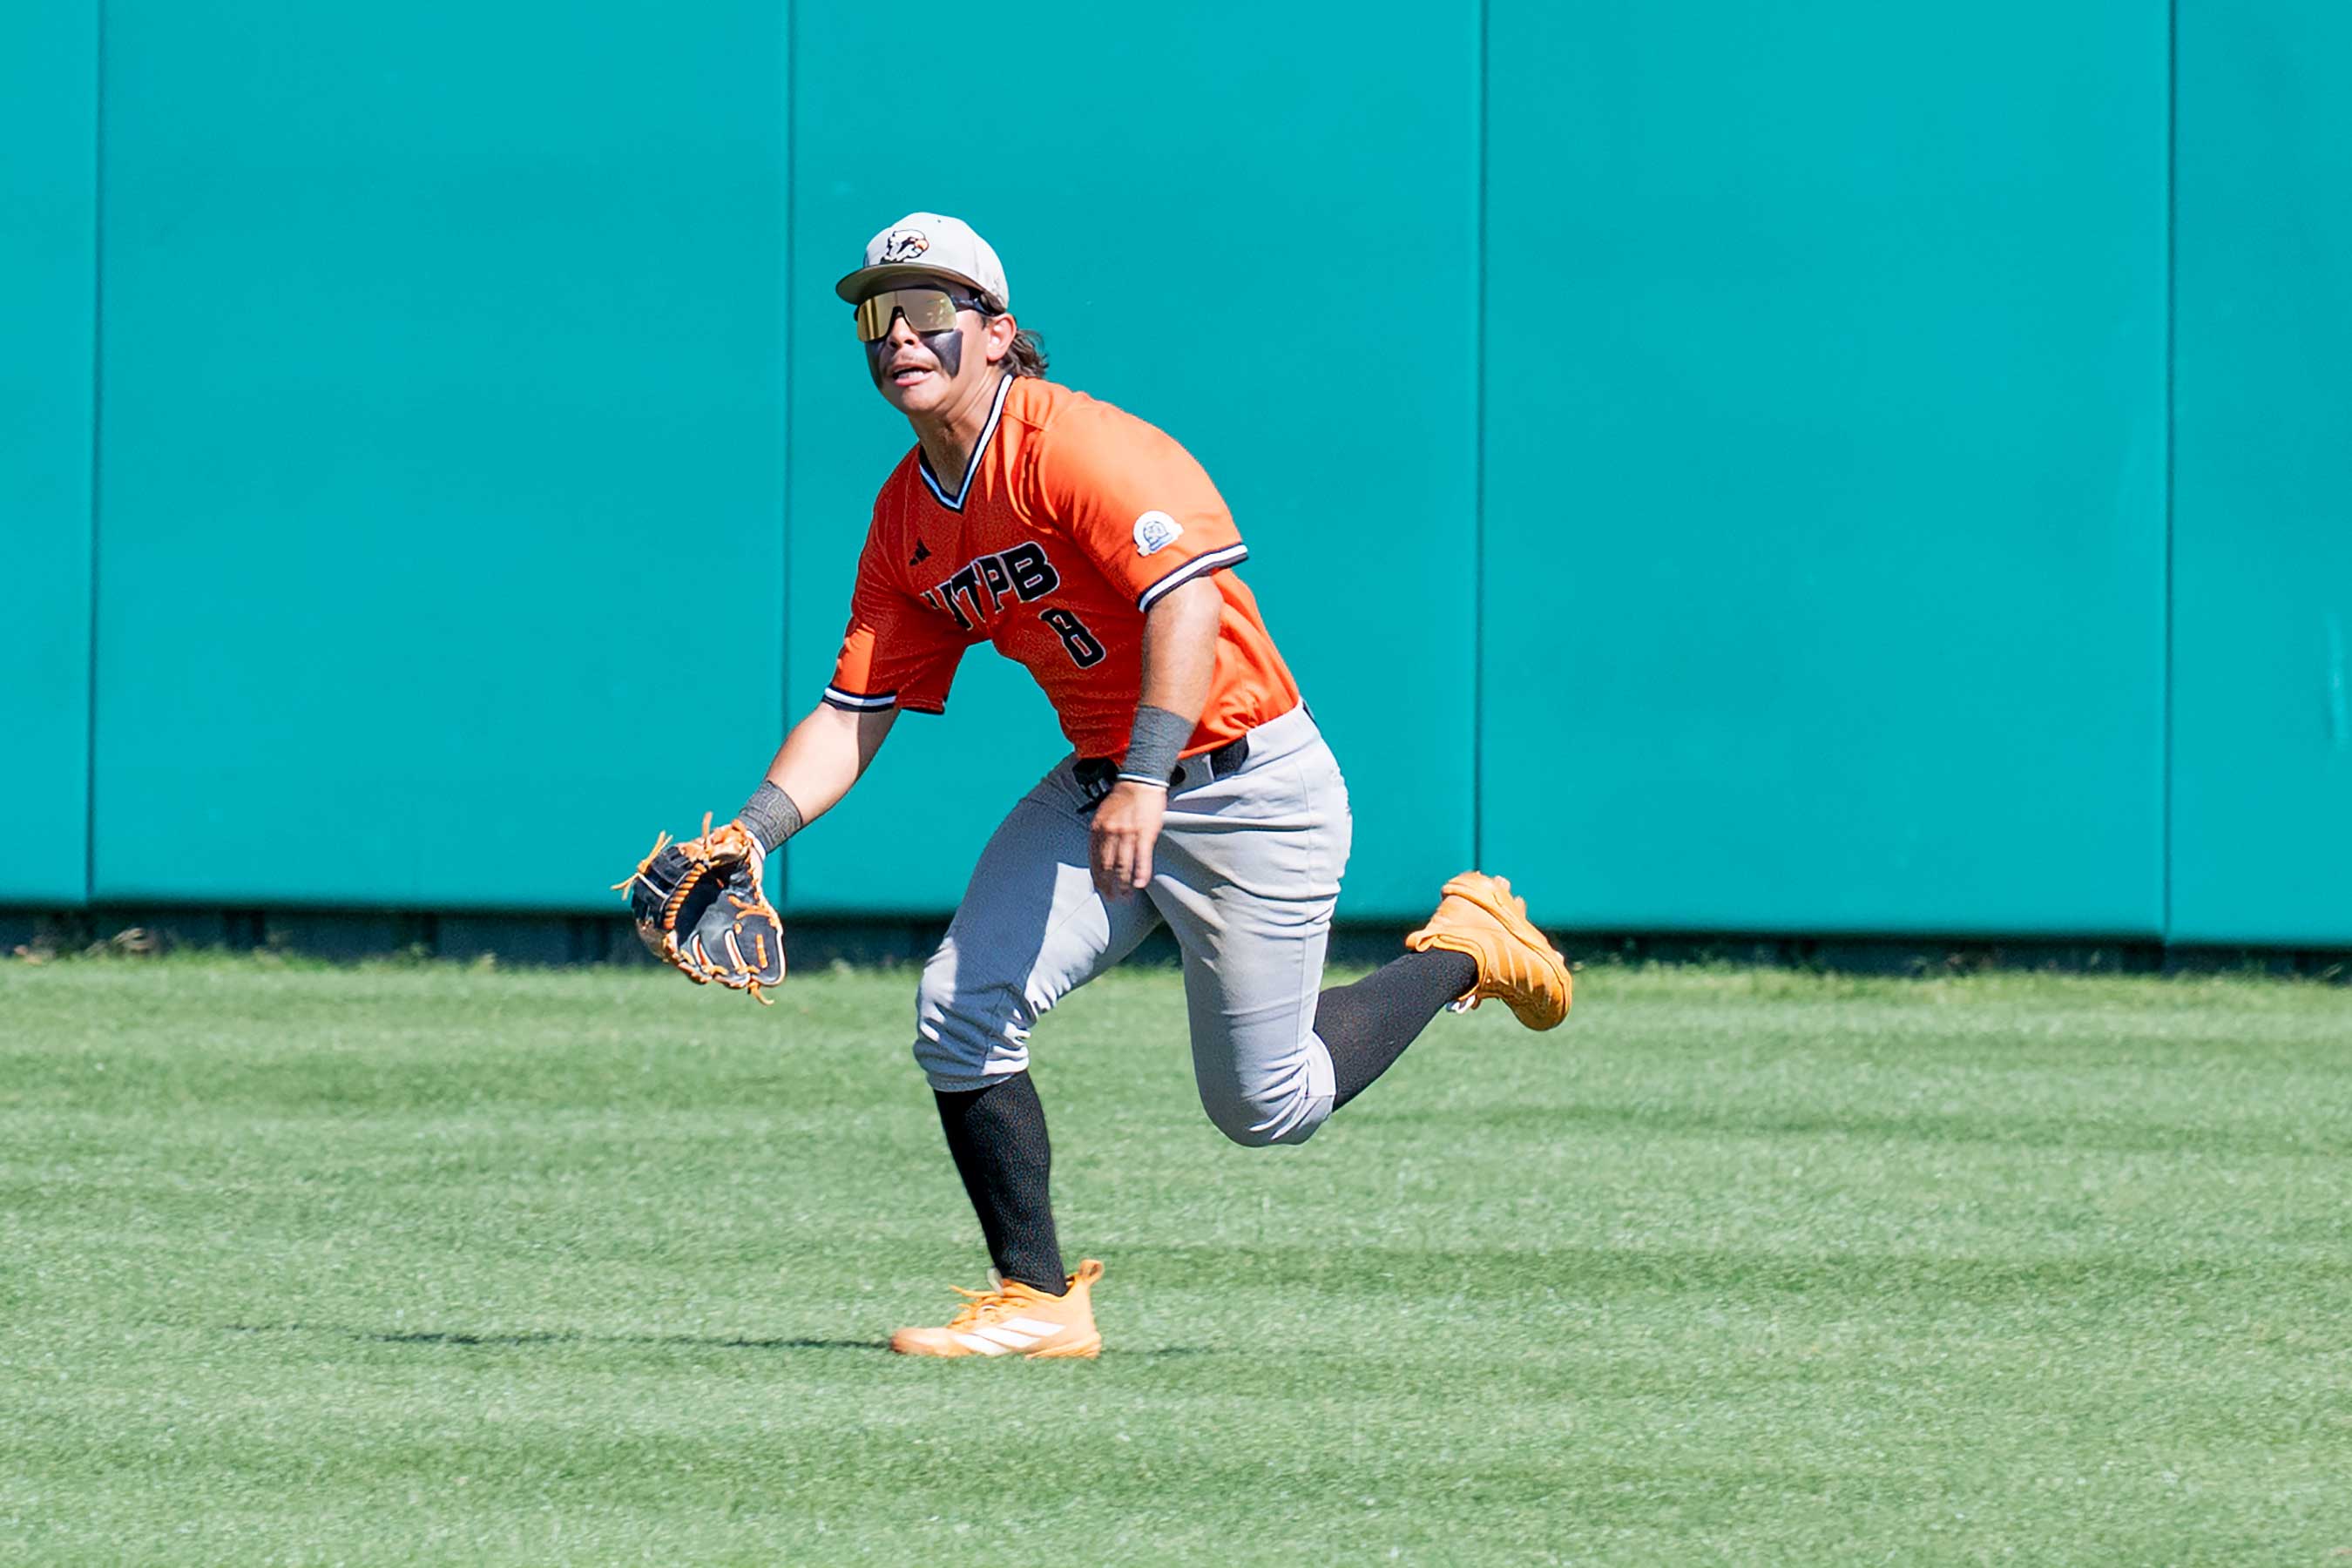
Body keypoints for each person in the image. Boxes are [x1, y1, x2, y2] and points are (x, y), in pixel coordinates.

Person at [727, 212, 1572, 1358]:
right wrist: (752, 834)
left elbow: (1188, 602)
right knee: (959, 1012)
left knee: (1268, 1107)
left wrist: (1146, 773)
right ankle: (1038, 1302)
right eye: (879, 314)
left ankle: (1464, 948)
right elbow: (853, 709)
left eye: (929, 309)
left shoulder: (1074, 446)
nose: (899, 336)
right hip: (1107, 789)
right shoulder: (908, 516)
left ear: (997, 332)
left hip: (1248, 782)